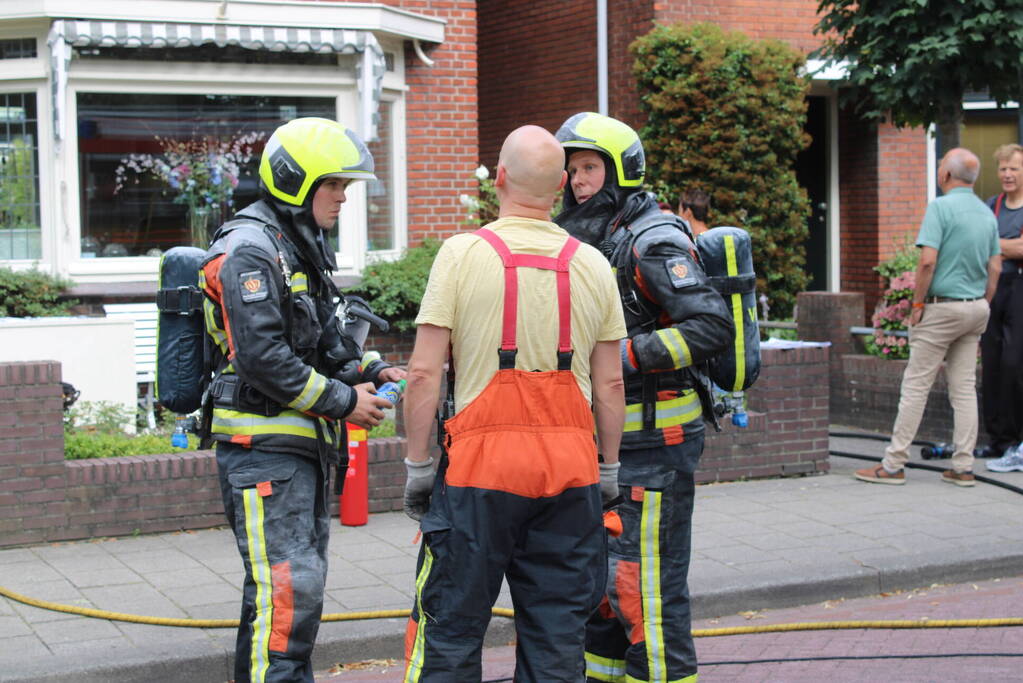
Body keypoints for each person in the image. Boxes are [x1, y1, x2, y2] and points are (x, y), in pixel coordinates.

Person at [401, 125, 627, 681]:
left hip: (480, 475)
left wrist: (417, 466)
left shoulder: (461, 255)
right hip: (570, 475)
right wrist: (610, 469)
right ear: (559, 187)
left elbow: (424, 372)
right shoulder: (594, 264)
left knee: (452, 631)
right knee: (556, 638)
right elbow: (610, 386)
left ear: (499, 178)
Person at [199, 117, 404, 683]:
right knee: (290, 595)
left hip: (294, 452)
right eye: (333, 184)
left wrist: (373, 367)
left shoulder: (296, 247)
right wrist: (344, 401)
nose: (343, 196)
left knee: (281, 594)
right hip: (263, 452)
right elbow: (262, 359)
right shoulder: (249, 251)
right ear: (295, 181)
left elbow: (326, 339)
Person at [554, 112, 734, 683]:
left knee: (646, 592)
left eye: (589, 167)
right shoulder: (597, 235)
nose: (579, 180)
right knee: (603, 593)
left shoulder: (653, 240)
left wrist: (623, 356)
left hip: (658, 444)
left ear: (620, 171)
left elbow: (710, 325)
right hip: (610, 443)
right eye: (572, 169)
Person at [854, 147, 1000, 488]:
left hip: (941, 308)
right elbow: (995, 267)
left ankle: (893, 465)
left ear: (946, 175)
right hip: (975, 307)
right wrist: (983, 303)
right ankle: (963, 466)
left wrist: (917, 306)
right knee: (963, 388)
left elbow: (926, 262)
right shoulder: (986, 213)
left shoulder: (940, 208)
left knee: (916, 385)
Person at [976, 143, 1023, 472]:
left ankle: (1017, 440)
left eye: (1014, 169)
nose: (1007, 174)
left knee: (1014, 365)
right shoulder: (991, 206)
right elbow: (979, 244)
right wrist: (1008, 247)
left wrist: (998, 247)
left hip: (1019, 289)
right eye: (1003, 169)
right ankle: (997, 439)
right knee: (991, 363)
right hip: (993, 289)